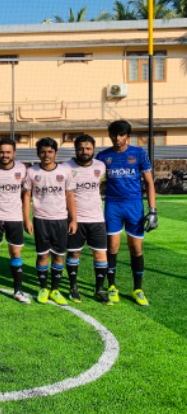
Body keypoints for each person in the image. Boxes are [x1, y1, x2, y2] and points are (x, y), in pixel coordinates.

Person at [96, 120, 157, 306]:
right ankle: (112, 286)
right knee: (112, 247)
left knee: (136, 248)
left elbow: (149, 182)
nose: (117, 138)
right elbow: (93, 181)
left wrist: (153, 210)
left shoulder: (139, 153)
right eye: (114, 134)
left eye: (121, 134)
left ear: (128, 136)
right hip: (113, 205)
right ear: (110, 136)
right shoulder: (103, 156)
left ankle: (138, 289)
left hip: (134, 206)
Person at [22, 137, 77, 305]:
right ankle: (43, 288)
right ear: (38, 154)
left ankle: (55, 289)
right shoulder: (31, 172)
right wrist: (26, 219)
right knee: (42, 255)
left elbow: (69, 195)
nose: (46, 155)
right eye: (43, 152)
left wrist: (73, 219)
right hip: (41, 220)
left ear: (56, 153)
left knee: (58, 256)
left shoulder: (65, 171)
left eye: (50, 152)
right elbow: (27, 196)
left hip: (60, 219)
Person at [0, 139, 31, 305]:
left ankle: (18, 291)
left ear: (14, 153)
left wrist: (26, 217)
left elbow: (26, 191)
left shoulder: (21, 168)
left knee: (16, 253)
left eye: (8, 152)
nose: (5, 155)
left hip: (14, 217)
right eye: (2, 152)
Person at [65, 135, 110, 304]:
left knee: (100, 254)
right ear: (76, 149)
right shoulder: (66, 167)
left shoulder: (100, 166)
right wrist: (71, 218)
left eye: (88, 148)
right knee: (74, 253)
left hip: (97, 219)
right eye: (81, 148)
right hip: (75, 219)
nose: (84, 151)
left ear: (93, 149)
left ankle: (100, 289)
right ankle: (73, 287)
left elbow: (101, 184)